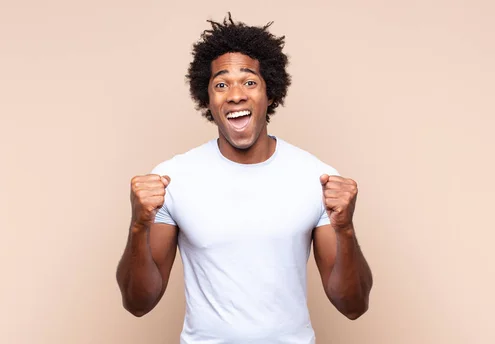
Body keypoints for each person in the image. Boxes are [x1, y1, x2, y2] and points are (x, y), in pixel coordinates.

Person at [116, 13, 373, 344]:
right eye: (221, 84)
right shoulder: (173, 179)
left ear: (270, 94)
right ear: (208, 100)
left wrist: (346, 230)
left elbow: (353, 306)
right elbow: (138, 303)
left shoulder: (317, 178)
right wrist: (139, 226)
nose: (235, 94)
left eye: (249, 82)